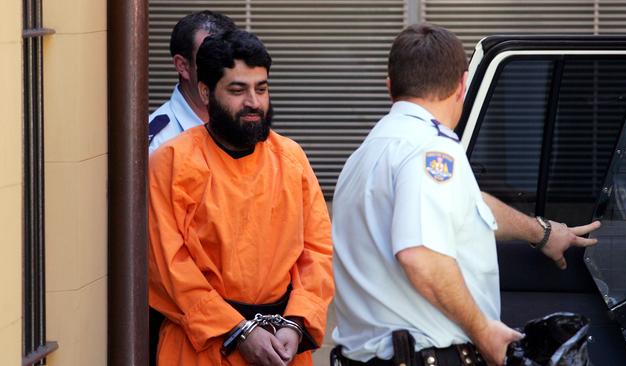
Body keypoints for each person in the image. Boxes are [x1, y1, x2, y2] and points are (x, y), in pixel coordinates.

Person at [330, 23, 601, 366]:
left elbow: (465, 207)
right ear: (462, 84)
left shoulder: (369, 152)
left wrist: (541, 232)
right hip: (425, 357)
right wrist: (483, 331)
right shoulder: (431, 150)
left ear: (390, 87)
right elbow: (420, 256)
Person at [148, 30, 334, 366]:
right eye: (238, 90)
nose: (253, 102)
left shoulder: (291, 158)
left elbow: (316, 253)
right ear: (206, 92)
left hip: (283, 347)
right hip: (200, 347)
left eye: (261, 89)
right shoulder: (172, 161)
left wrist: (297, 323)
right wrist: (238, 330)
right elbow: (167, 268)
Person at [148, 10, 236, 154]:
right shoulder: (159, 144)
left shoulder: (242, 124)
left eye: (230, 59)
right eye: (212, 59)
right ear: (182, 65)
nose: (225, 70)